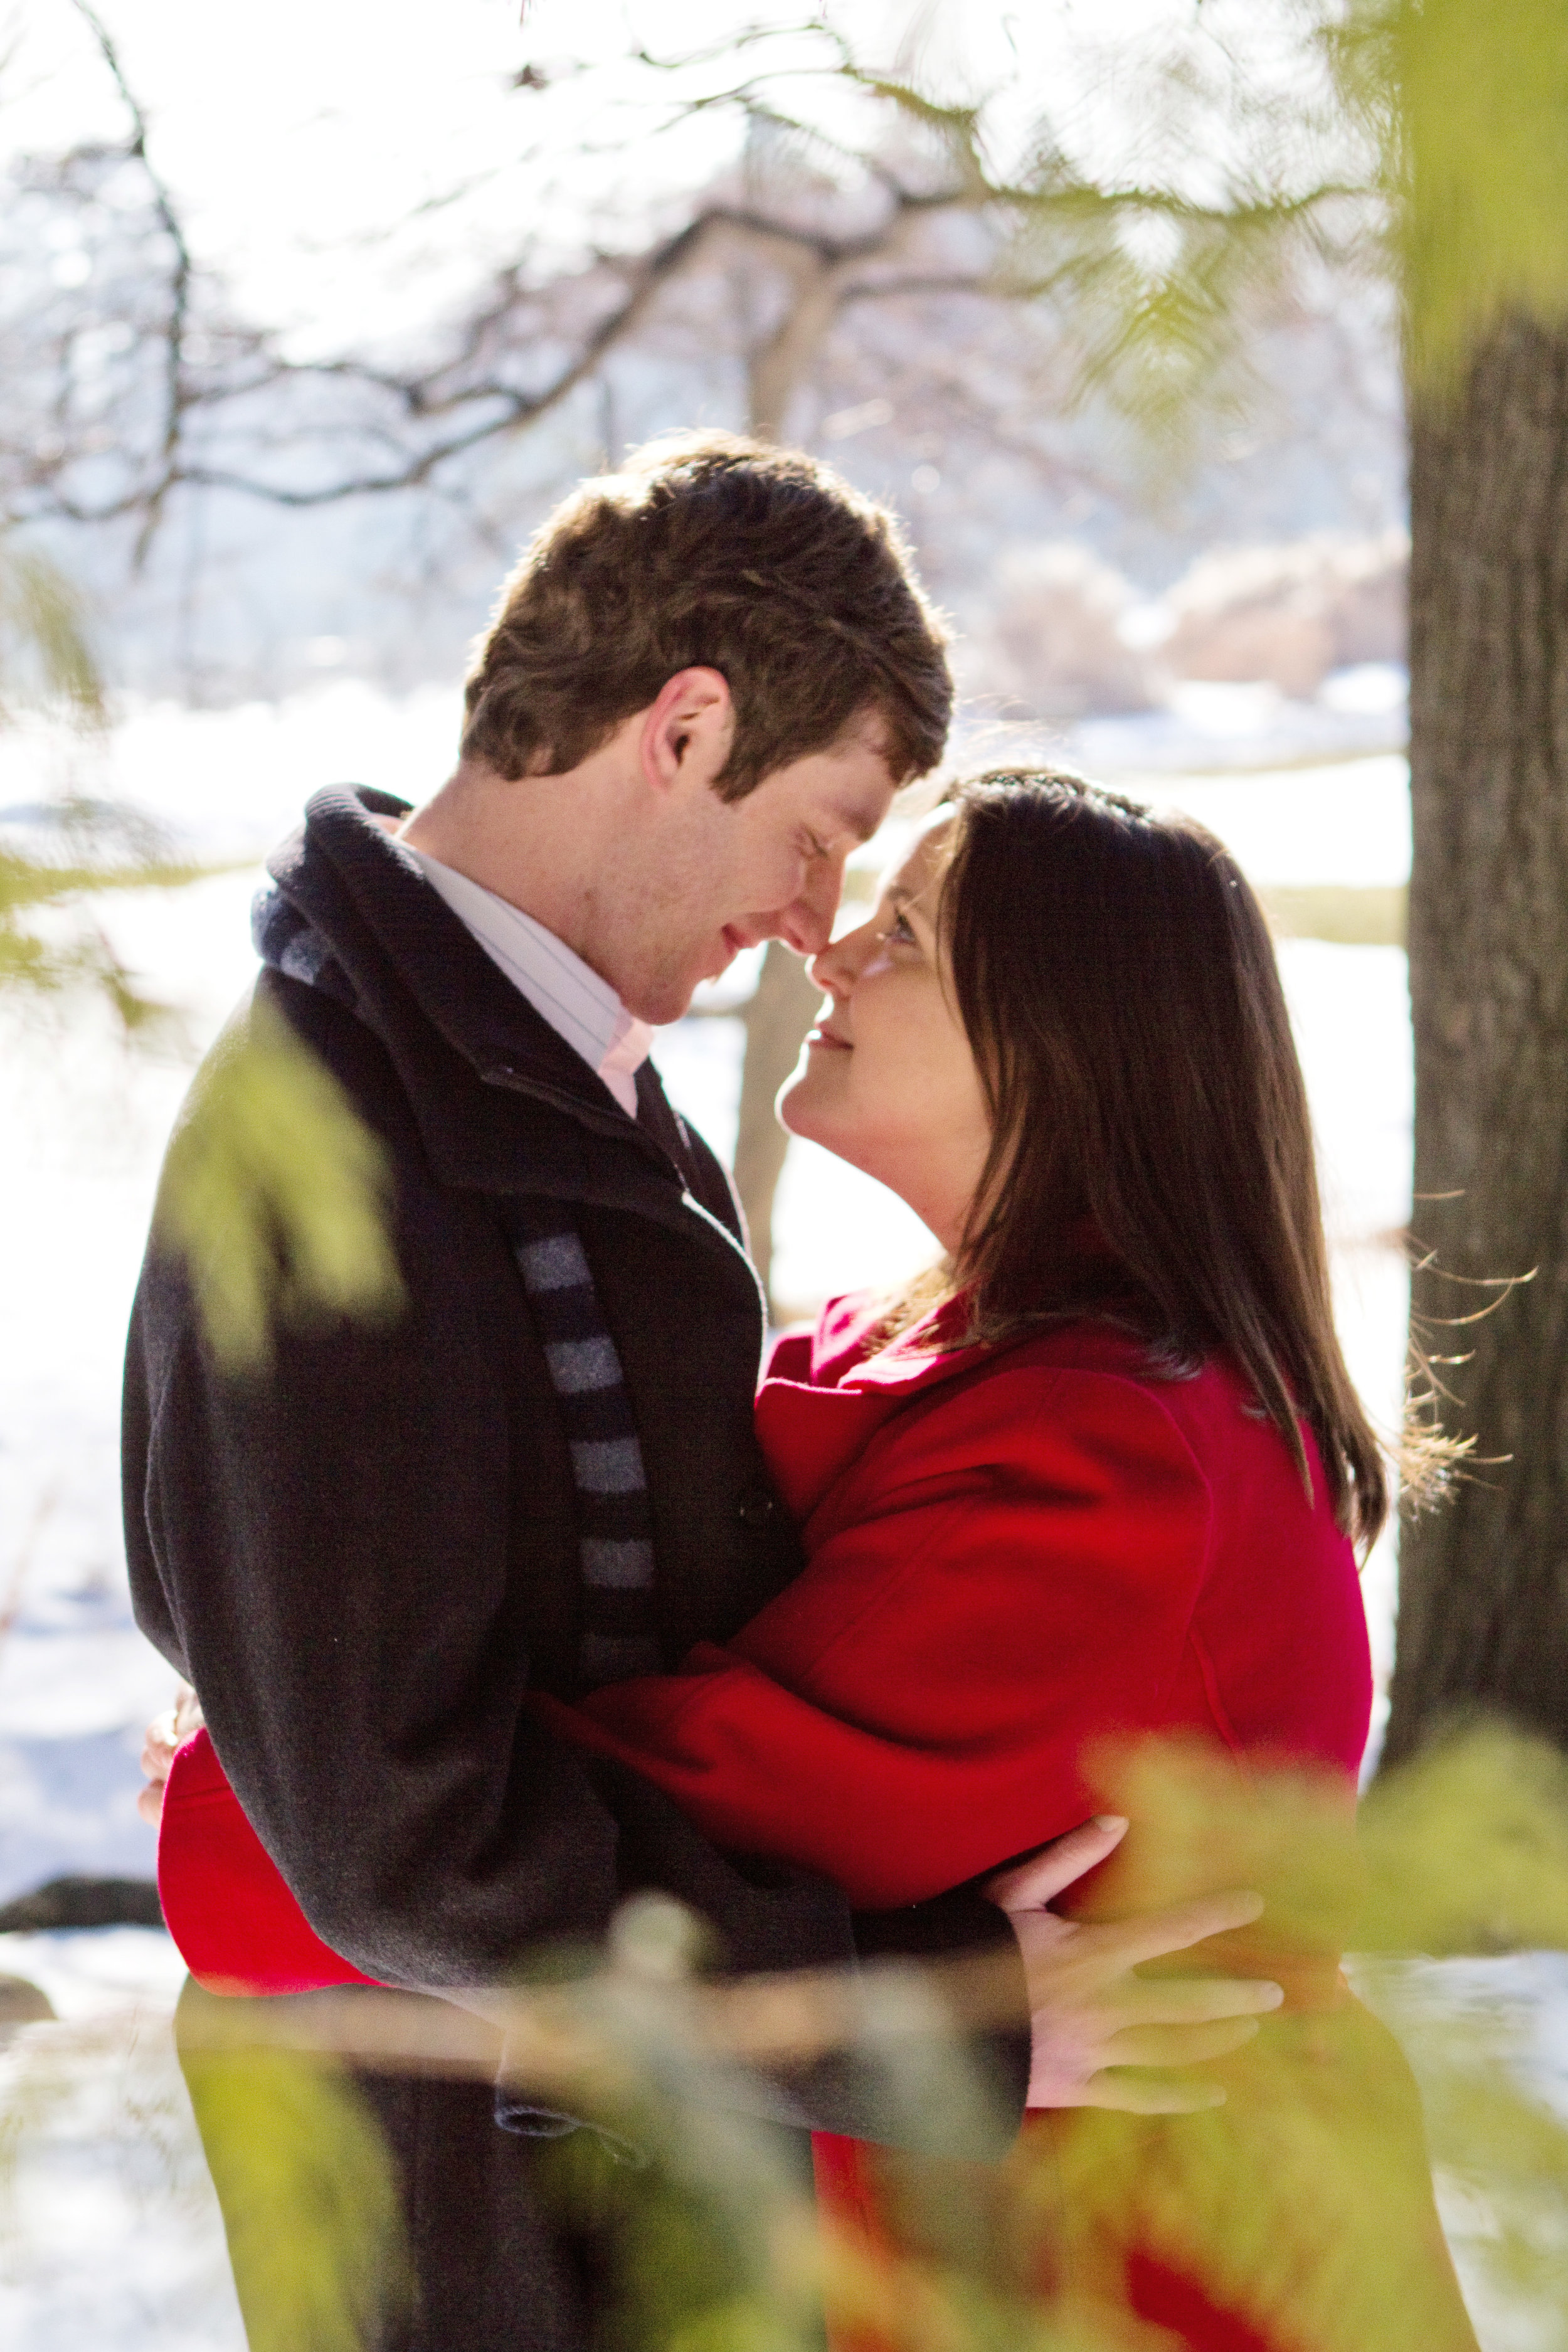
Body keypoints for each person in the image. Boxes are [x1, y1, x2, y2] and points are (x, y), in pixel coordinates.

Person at [127, 441, 1275, 2352]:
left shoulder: (554, 1077)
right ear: (683, 726)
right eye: (822, 831)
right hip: (468, 2225)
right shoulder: (328, 1142)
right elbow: (400, 1837)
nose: (819, 915)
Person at [524, 773, 1480, 2351]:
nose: (826, 954)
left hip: (1158, 2274)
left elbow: (634, 1839)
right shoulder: (952, 1373)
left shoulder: (1095, 1471)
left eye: (903, 933)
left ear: (1058, 1041)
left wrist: (273, 1789)